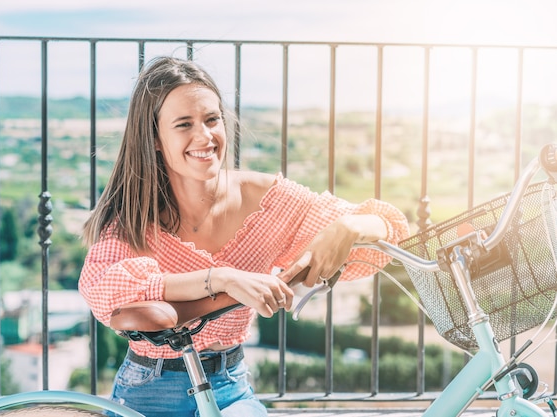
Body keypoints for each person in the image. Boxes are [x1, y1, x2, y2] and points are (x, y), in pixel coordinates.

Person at [79, 56, 410, 417]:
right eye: (184, 124)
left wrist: (349, 227)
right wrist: (221, 278)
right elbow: (102, 289)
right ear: (154, 139)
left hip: (228, 387)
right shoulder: (135, 216)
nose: (204, 137)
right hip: (149, 389)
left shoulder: (265, 200)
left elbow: (391, 227)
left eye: (211, 119)